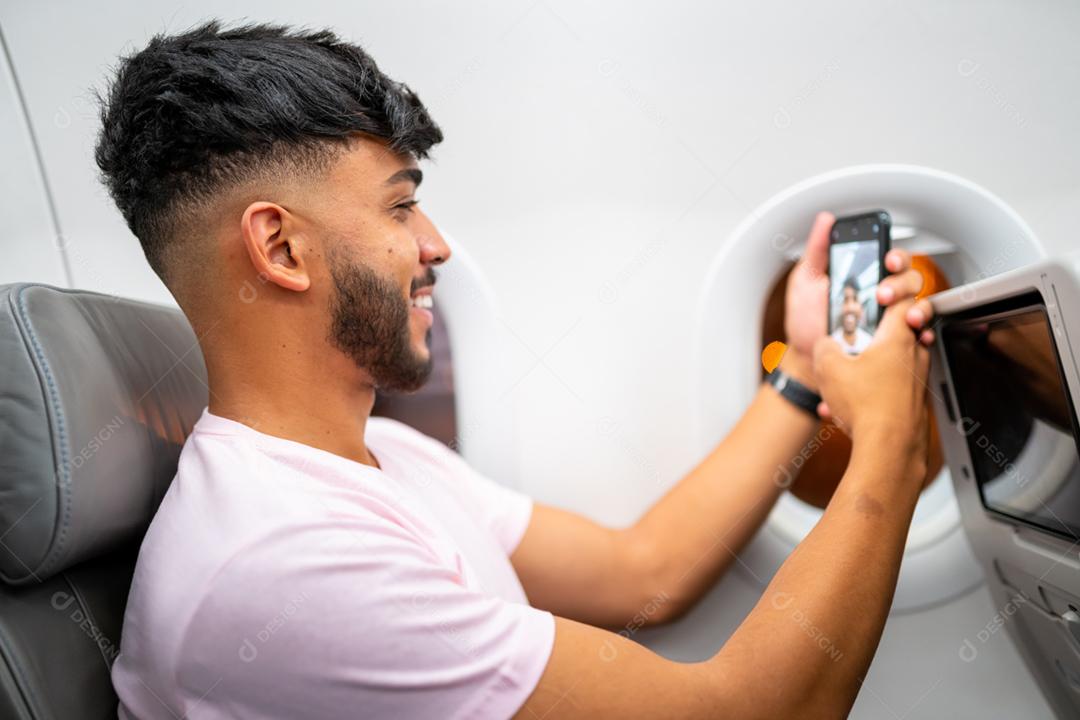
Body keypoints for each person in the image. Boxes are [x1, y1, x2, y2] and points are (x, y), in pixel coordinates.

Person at [96, 21, 938, 720]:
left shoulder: (382, 457)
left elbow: (648, 570)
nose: (436, 245)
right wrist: (893, 445)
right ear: (280, 247)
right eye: (399, 205)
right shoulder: (280, 563)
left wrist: (803, 370)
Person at [831, 276, 875, 354]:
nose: (850, 307)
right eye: (846, 299)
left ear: (861, 308)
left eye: (855, 299)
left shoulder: (870, 344)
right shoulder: (832, 344)